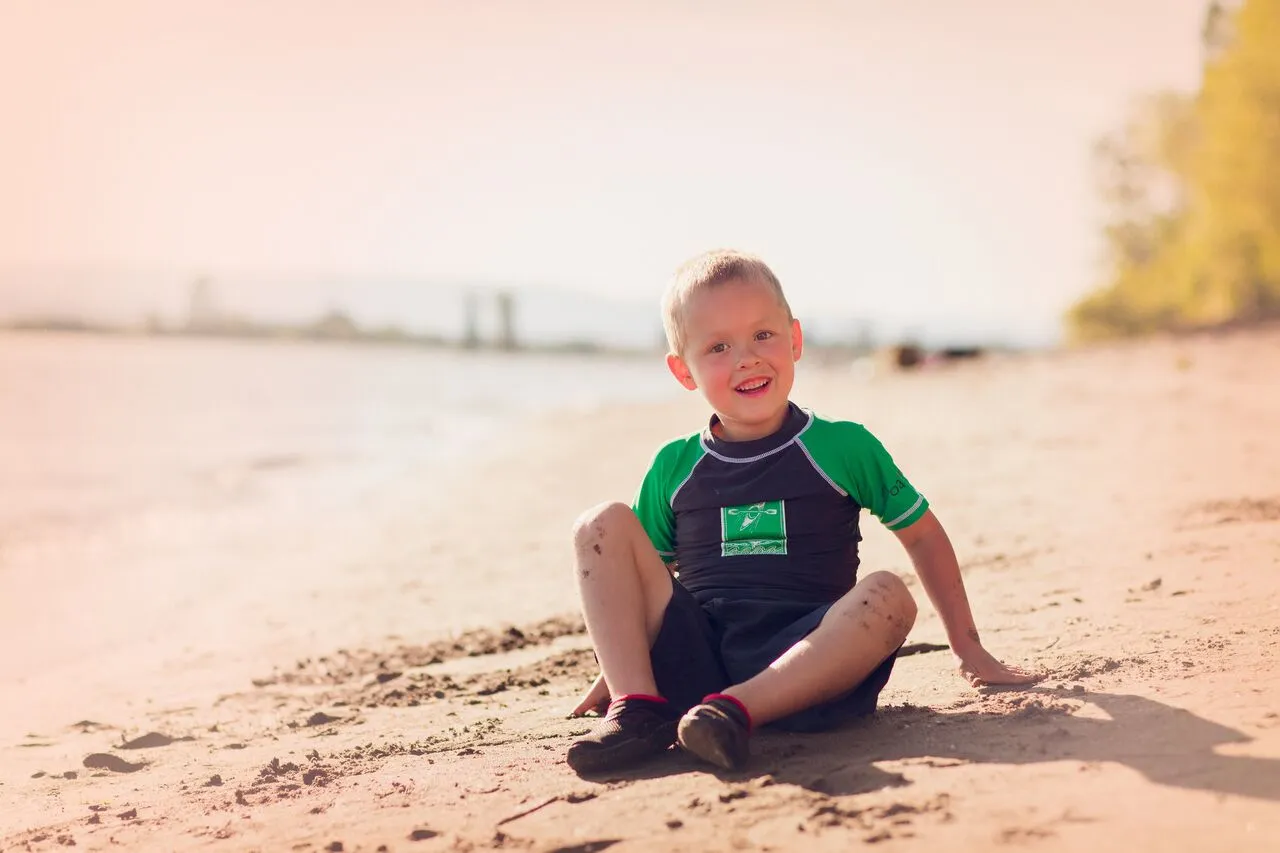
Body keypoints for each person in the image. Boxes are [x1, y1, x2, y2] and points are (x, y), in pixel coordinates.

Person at [565, 249, 1039, 774]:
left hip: (811, 666)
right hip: (700, 661)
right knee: (600, 523)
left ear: (795, 339)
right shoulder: (674, 466)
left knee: (889, 595)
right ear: (684, 371)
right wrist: (618, 675)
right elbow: (639, 580)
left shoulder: (843, 447)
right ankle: (641, 714)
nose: (747, 358)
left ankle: (732, 713)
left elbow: (923, 537)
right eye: (718, 346)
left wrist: (969, 649)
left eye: (762, 336)